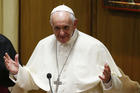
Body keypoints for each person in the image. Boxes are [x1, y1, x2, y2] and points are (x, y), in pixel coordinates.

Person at [3, 5, 139, 93]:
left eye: (66, 28)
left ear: (75, 24)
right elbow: (31, 82)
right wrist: (18, 72)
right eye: (57, 28)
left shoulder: (94, 47)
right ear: (51, 26)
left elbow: (118, 88)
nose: (61, 33)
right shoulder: (43, 45)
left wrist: (108, 80)